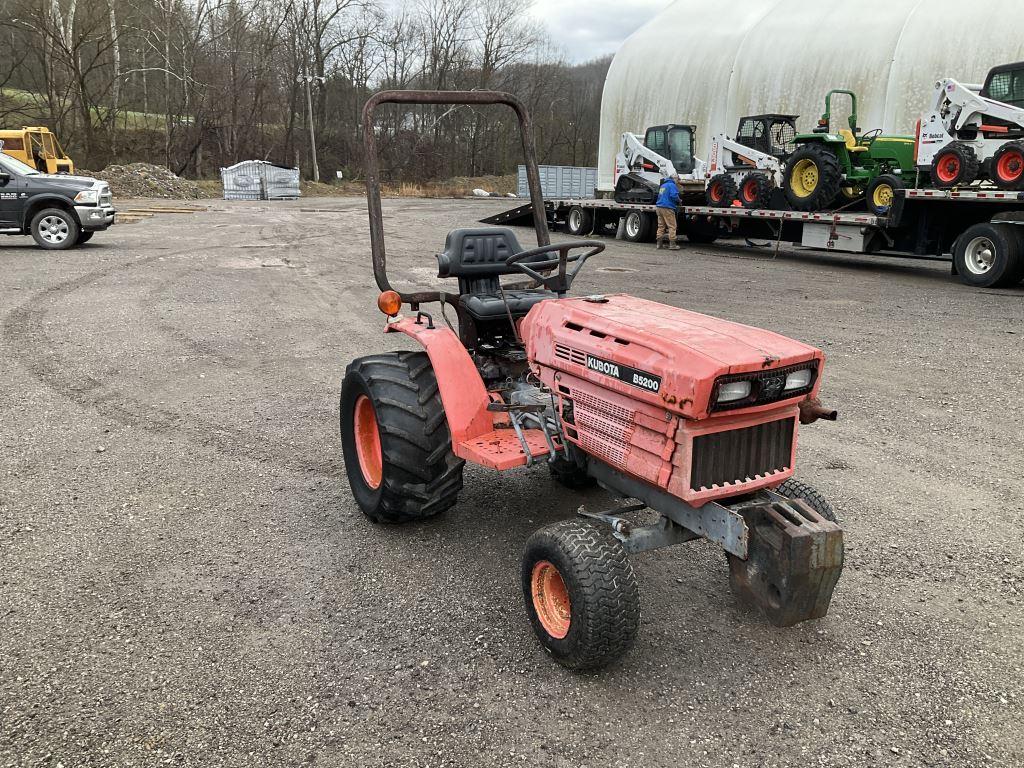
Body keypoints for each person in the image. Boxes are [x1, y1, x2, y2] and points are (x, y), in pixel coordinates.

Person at [655, 174, 680, 250]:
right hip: (667, 208)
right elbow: (674, 196)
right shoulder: (672, 185)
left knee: (661, 226)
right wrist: (679, 200)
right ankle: (672, 245)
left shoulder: (663, 185)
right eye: (678, 179)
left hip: (659, 207)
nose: (678, 181)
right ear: (674, 179)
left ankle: (659, 244)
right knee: (672, 226)